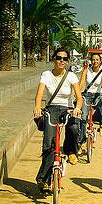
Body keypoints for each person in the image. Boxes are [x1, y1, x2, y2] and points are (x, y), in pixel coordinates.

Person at [33, 47, 83, 191]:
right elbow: (39, 95)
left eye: (65, 59)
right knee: (49, 144)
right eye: (59, 58)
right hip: (51, 109)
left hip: (66, 109)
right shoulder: (46, 75)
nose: (62, 61)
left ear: (68, 61)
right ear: (54, 59)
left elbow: (79, 98)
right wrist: (37, 107)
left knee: (74, 127)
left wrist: (77, 108)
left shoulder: (71, 76)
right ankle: (43, 178)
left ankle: (70, 151)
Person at [78, 52, 102, 150]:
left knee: (101, 107)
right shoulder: (86, 70)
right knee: (83, 117)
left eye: (97, 60)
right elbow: (82, 82)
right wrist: (78, 93)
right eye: (93, 59)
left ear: (100, 61)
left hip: (98, 94)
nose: (95, 61)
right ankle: (82, 141)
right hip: (87, 94)